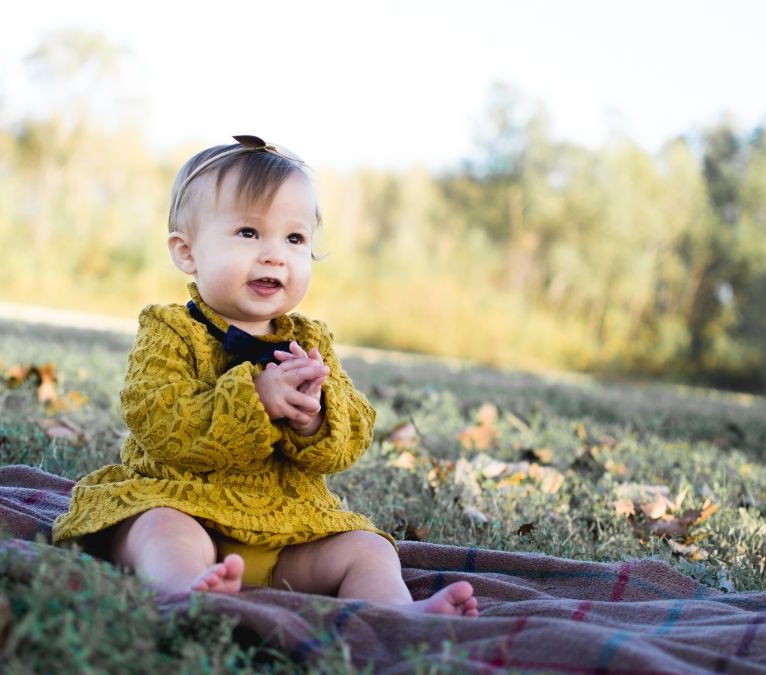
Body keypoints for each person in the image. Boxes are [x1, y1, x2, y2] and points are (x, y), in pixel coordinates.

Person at [52, 136, 477, 617]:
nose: (275, 254)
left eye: (294, 239)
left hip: (287, 530)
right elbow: (159, 417)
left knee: (368, 549)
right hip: (185, 503)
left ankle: (397, 614)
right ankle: (185, 590)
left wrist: (315, 417)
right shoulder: (169, 330)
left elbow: (354, 432)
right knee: (157, 530)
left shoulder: (310, 341)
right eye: (249, 233)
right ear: (187, 252)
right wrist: (254, 399)